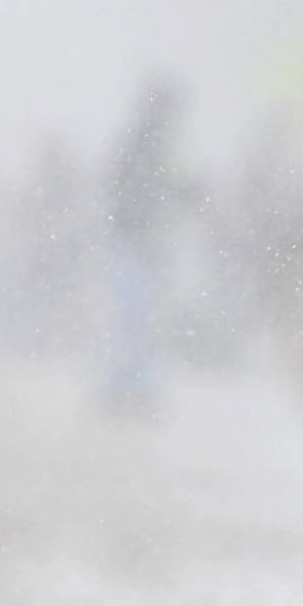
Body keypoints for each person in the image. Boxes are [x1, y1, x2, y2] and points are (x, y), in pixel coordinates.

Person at [102, 81, 189, 416]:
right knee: (135, 320)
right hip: (134, 247)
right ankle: (126, 388)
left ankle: (126, 387)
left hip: (136, 246)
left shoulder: (145, 145)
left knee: (134, 320)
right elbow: (140, 193)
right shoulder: (149, 147)